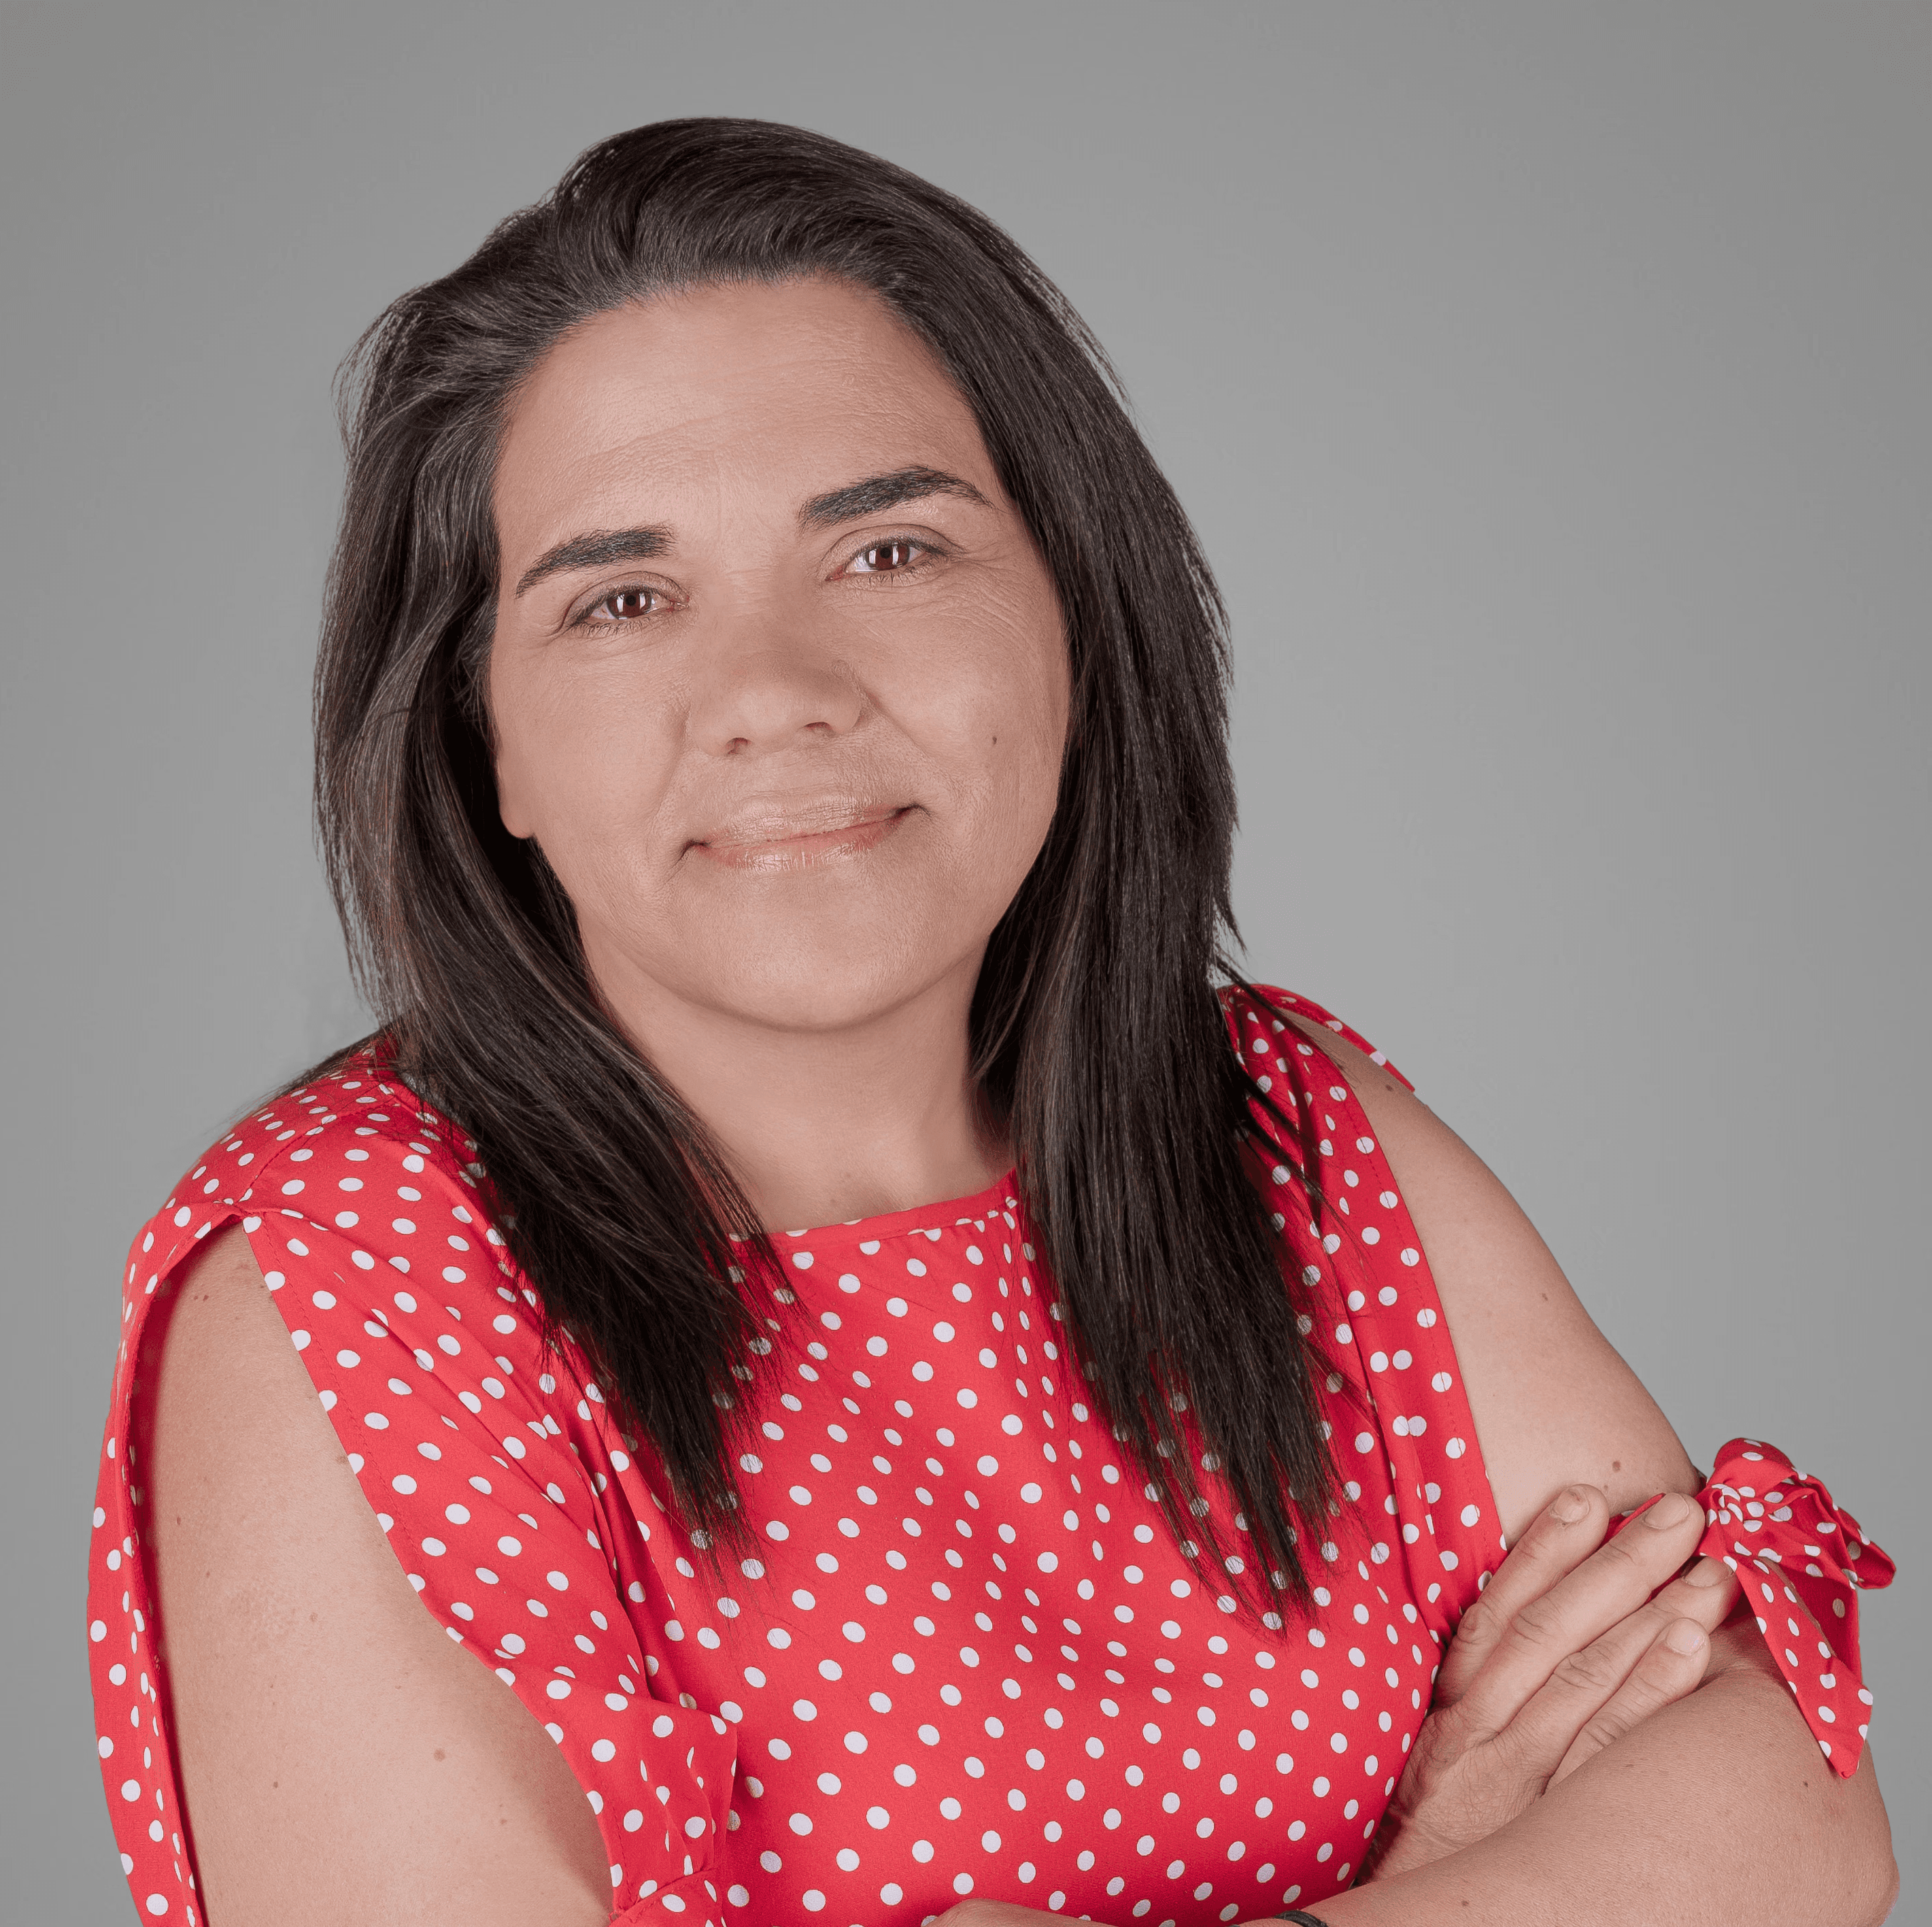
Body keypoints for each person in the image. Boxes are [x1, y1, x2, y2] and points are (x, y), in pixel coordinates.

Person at [87, 119, 1895, 1927]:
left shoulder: (1295, 1137)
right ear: (487, 746)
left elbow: (1785, 1817)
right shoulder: (345, 1290)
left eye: (888, 554)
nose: (776, 697)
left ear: (1074, 618)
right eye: (622, 599)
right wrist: (1441, 1879)